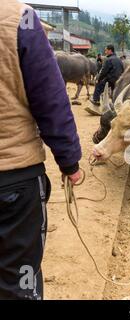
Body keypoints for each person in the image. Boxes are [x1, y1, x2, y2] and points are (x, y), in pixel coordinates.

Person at [0, 1, 82, 300]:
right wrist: (70, 161)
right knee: (18, 280)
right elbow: (50, 99)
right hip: (13, 178)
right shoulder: (18, 17)